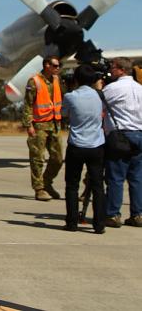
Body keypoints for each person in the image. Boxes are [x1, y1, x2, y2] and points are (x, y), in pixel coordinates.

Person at [61, 64, 106, 233]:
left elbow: (64, 114)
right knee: (97, 185)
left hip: (76, 144)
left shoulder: (70, 96)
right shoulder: (99, 95)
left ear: (76, 79)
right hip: (96, 145)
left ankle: (72, 222)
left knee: (72, 185)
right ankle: (99, 224)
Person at [102, 57, 142, 228]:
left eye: (113, 67)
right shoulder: (140, 88)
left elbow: (98, 104)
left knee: (116, 177)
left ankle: (112, 214)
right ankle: (138, 214)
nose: (111, 70)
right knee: (137, 178)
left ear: (121, 70)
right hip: (139, 134)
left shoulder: (112, 88)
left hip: (120, 136)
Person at [23, 56, 64, 201]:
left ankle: (47, 182)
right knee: (37, 158)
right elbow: (28, 104)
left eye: (59, 65)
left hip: (55, 125)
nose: (58, 68)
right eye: (55, 65)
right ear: (46, 65)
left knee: (58, 159)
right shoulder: (34, 81)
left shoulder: (57, 80)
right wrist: (29, 125)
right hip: (39, 125)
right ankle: (39, 189)